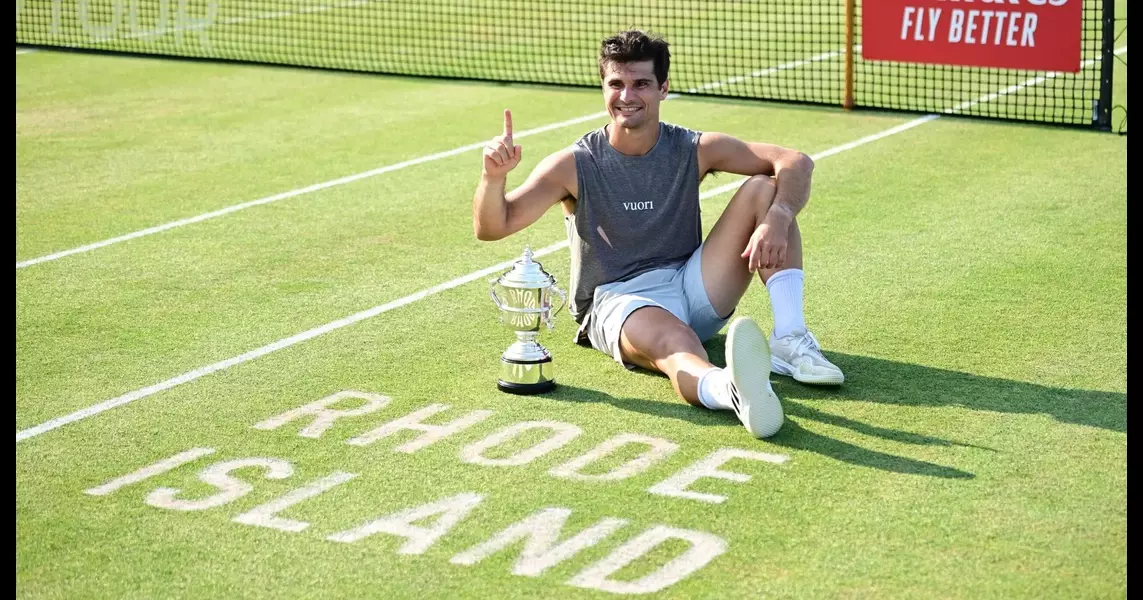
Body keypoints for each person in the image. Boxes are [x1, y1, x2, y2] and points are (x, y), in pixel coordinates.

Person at [471, 29, 844, 439]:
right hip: (620, 300)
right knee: (675, 341)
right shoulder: (574, 164)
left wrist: (779, 216)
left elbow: (794, 161)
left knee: (764, 189)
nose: (626, 96)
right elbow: (493, 226)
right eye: (616, 84)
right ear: (603, 87)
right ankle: (729, 390)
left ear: (664, 88)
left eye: (641, 84)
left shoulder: (691, 148)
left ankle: (789, 339)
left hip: (693, 283)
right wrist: (493, 178)